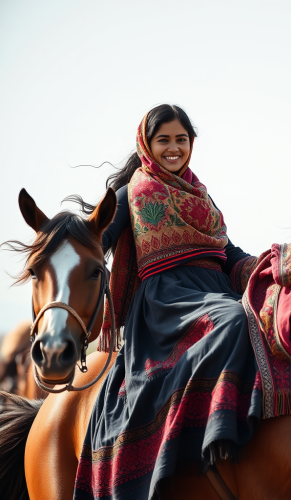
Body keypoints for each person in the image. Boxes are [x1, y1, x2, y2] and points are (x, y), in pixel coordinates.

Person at [73, 105, 261, 500]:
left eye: (181, 139)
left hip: (212, 289)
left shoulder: (201, 194)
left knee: (260, 319)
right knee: (231, 320)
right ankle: (216, 430)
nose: (174, 148)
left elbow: (225, 251)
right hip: (166, 302)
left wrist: (265, 265)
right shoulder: (131, 194)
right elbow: (94, 241)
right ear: (147, 143)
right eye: (164, 140)